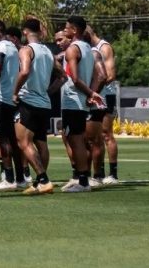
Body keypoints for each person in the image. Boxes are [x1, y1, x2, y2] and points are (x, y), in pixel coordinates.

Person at [13, 19, 58, 195]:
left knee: (23, 142)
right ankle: (40, 183)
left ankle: (44, 180)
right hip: (44, 103)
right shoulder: (47, 51)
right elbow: (62, 76)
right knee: (41, 142)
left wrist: (15, 92)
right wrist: (47, 91)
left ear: (24, 32)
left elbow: (24, 71)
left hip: (29, 101)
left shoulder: (26, 50)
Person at [60, 16, 104, 193]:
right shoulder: (88, 48)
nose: (64, 31)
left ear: (75, 30)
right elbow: (98, 76)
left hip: (72, 100)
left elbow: (75, 79)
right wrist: (91, 93)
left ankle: (83, 181)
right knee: (77, 139)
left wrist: (90, 93)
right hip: (80, 102)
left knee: (75, 140)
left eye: (66, 28)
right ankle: (81, 177)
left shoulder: (73, 49)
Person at [0, 21, 23, 191]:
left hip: (0, 99)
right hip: (11, 98)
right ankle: (20, 177)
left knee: (0, 137)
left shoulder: (0, 48)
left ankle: (8, 179)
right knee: (13, 140)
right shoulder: (14, 48)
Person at [86, 26, 119, 184]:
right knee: (94, 136)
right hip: (97, 95)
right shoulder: (89, 48)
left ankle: (112, 175)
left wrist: (93, 89)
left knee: (106, 134)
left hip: (106, 95)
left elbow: (110, 75)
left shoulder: (103, 47)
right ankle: (99, 173)